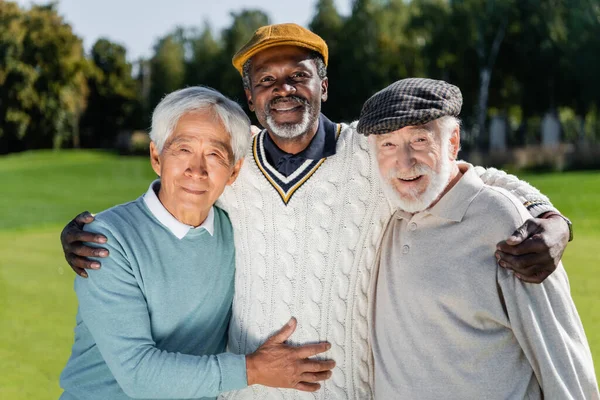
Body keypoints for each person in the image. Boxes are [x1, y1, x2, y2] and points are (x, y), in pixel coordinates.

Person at [59, 24, 573, 399]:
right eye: (266, 79)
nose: (282, 88)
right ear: (250, 96)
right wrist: (87, 232)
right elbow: (175, 186)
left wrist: (550, 218)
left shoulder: (372, 152)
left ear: (323, 86)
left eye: (298, 76)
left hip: (349, 392)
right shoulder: (231, 162)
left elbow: (462, 175)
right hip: (245, 395)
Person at [59, 87, 335, 400]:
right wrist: (254, 369)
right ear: (155, 157)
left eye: (215, 155)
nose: (197, 170)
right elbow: (138, 375)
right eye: (183, 149)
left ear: (234, 172)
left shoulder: (236, 234)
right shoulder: (103, 240)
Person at [358, 78, 598, 399]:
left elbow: (565, 366)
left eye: (419, 139)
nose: (404, 161)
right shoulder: (386, 211)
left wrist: (550, 217)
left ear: (452, 142)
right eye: (388, 144)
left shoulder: (504, 222)